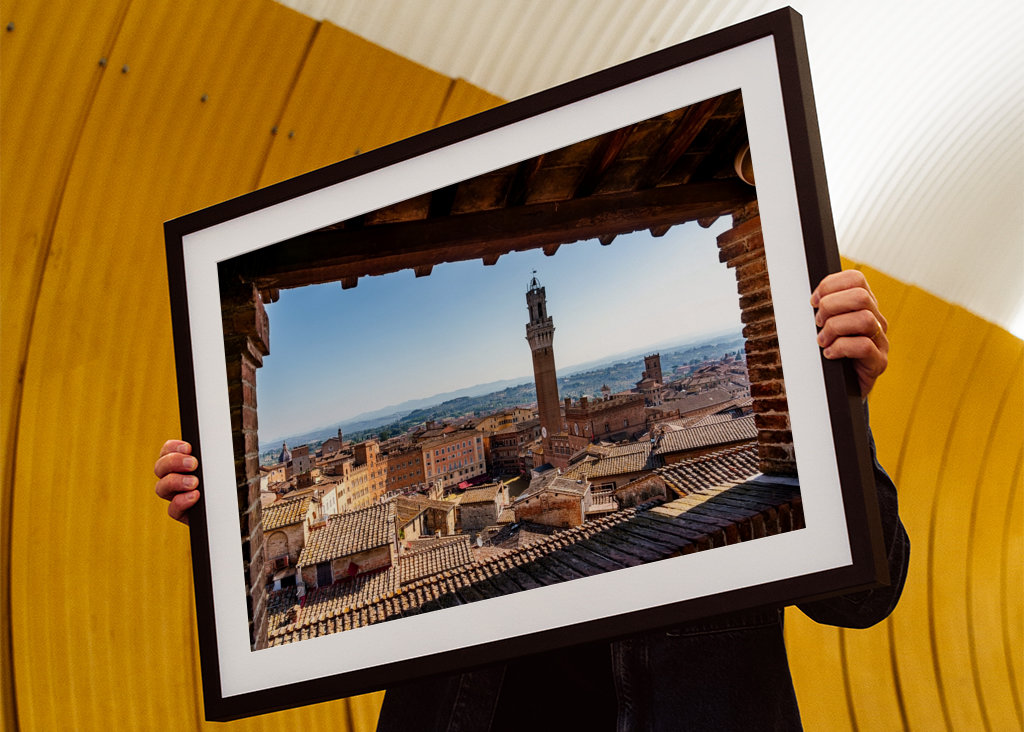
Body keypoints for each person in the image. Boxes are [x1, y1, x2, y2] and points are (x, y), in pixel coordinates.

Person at [155, 270, 908, 731]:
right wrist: (232, 525)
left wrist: (838, 410)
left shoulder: (746, 471)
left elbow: (866, 596)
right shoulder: (460, 533)